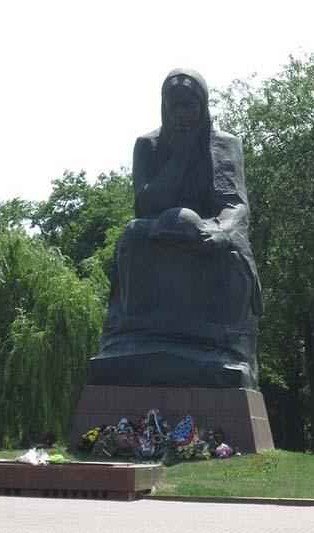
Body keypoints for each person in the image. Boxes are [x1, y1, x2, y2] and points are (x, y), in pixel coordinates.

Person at [90, 68, 263, 389]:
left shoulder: (225, 145)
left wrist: (222, 232)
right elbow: (145, 205)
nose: (182, 114)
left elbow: (235, 205)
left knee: (230, 255)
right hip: (160, 230)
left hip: (209, 230)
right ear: (164, 107)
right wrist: (180, 157)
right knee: (132, 236)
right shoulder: (147, 145)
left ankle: (221, 341)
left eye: (190, 106)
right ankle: (137, 333)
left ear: (203, 106)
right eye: (175, 106)